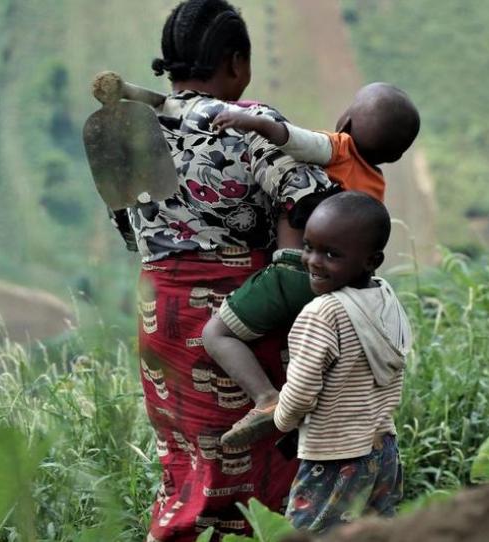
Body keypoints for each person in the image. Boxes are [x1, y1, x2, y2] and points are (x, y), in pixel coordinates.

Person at [109, 1, 333, 539]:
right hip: (238, 313)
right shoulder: (248, 123)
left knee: (186, 452)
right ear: (236, 63)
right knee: (273, 446)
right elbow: (311, 202)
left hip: (160, 312)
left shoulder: (130, 131)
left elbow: (125, 226)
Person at [200, 84, 420, 447]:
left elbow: (291, 138)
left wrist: (250, 120)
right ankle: (300, 425)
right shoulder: (375, 188)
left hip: (295, 273)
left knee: (216, 334)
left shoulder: (339, 147)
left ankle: (267, 399)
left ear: (346, 121)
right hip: (339, 290)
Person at [275, 191, 412, 533]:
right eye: (309, 246)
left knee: (308, 536)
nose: (313, 261)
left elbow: (302, 390)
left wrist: (281, 420)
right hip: (383, 452)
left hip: (333, 458)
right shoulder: (386, 298)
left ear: (371, 260)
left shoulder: (323, 313)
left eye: (331, 254)